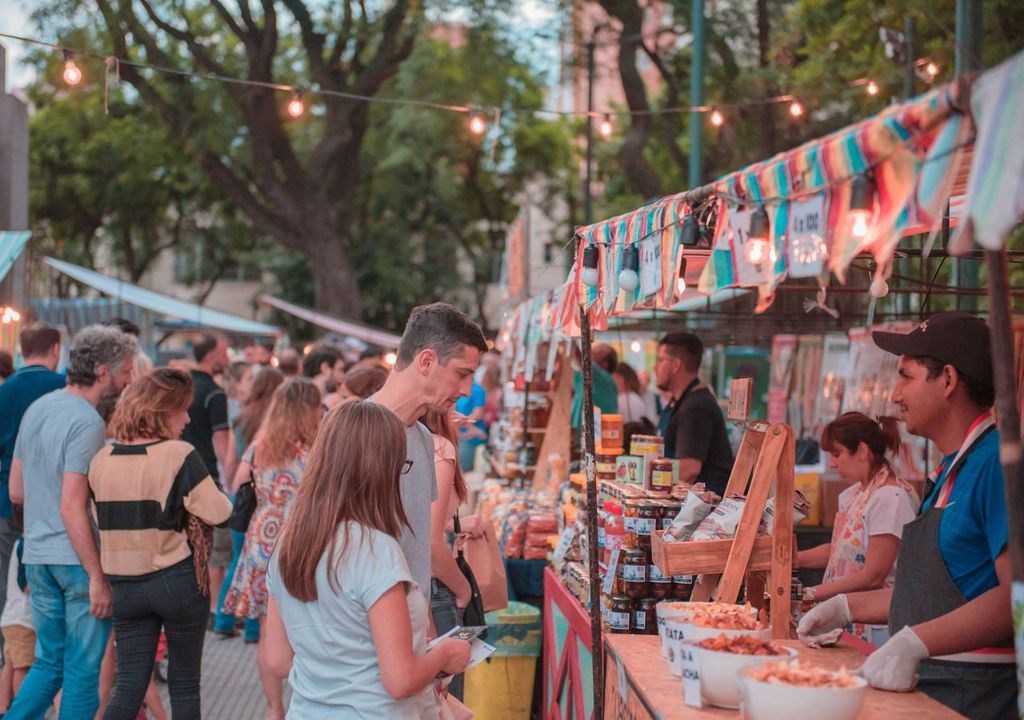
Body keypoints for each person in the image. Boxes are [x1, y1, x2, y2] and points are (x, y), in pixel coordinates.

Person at [798, 313, 1015, 717]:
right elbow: (932, 596)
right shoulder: (951, 469)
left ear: (947, 380)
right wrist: (847, 606)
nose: (895, 395)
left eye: (906, 377)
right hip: (931, 687)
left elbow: (1016, 597)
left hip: (973, 695)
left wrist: (916, 641)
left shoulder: (996, 464)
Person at [264, 401, 472, 718]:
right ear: (381, 468)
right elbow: (400, 680)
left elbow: (277, 659)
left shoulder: (288, 543)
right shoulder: (375, 550)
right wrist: (442, 657)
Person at [6, 324, 137, 719]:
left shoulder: (38, 408)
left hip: (38, 554)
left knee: (49, 663)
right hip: (75, 558)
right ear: (103, 372)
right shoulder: (88, 421)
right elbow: (71, 505)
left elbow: (16, 491)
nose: (130, 379)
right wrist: (97, 574)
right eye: (127, 371)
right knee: (82, 670)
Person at [88, 367, 232, 719]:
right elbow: (219, 512)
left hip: (125, 588)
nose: (185, 419)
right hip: (175, 580)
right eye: (181, 410)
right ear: (160, 411)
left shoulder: (101, 460)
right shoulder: (179, 455)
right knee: (184, 686)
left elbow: (98, 520)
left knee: (128, 688)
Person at [369, 303, 488, 599]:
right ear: (426, 362)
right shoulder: (354, 432)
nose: (467, 390)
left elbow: (420, 543)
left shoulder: (423, 439)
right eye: (462, 374)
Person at [224, 378, 321, 720]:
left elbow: (237, 488)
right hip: (300, 540)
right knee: (304, 628)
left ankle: (274, 709)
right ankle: (302, 702)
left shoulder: (260, 444)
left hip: (262, 539)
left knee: (269, 630)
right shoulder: (315, 449)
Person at [796, 412, 917, 641]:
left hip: (875, 625)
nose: (832, 463)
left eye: (837, 453)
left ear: (861, 451)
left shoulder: (889, 498)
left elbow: (872, 575)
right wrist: (793, 558)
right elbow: (839, 551)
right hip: (849, 619)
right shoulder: (857, 494)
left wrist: (808, 594)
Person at [0, 323, 64, 653]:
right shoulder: (64, 388)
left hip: (7, 498)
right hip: (57, 496)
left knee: (7, 578)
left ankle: (10, 653)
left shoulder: (5, 389)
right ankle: (43, 650)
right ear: (55, 349)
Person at [179, 333, 233, 614]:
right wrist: (232, 479)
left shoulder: (183, 387)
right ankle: (213, 607)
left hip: (178, 474)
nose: (227, 358)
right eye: (224, 352)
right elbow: (222, 441)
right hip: (207, 476)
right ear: (211, 355)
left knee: (187, 541)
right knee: (215, 548)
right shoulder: (214, 393)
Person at [423, 410, 472, 701]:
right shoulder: (439, 448)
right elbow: (431, 542)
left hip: (414, 585)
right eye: (454, 399)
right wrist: (463, 589)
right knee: (446, 698)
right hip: (435, 587)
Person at [654, 332, 733, 496]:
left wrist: (650, 483)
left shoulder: (696, 407)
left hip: (703, 512)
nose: (655, 367)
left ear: (676, 365)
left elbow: (689, 469)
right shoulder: (682, 402)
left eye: (660, 360)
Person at [0, 513, 33, 715]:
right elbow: (26, 586)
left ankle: (3, 706)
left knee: (11, 663)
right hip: (23, 620)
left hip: (11, 618)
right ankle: (23, 710)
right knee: (24, 667)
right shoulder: (26, 546)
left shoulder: (19, 544)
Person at [571, 342, 618, 429]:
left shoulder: (605, 379)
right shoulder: (580, 376)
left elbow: (581, 359)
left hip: (597, 434)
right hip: (580, 432)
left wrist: (569, 340)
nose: (592, 351)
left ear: (604, 364)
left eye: (596, 353)